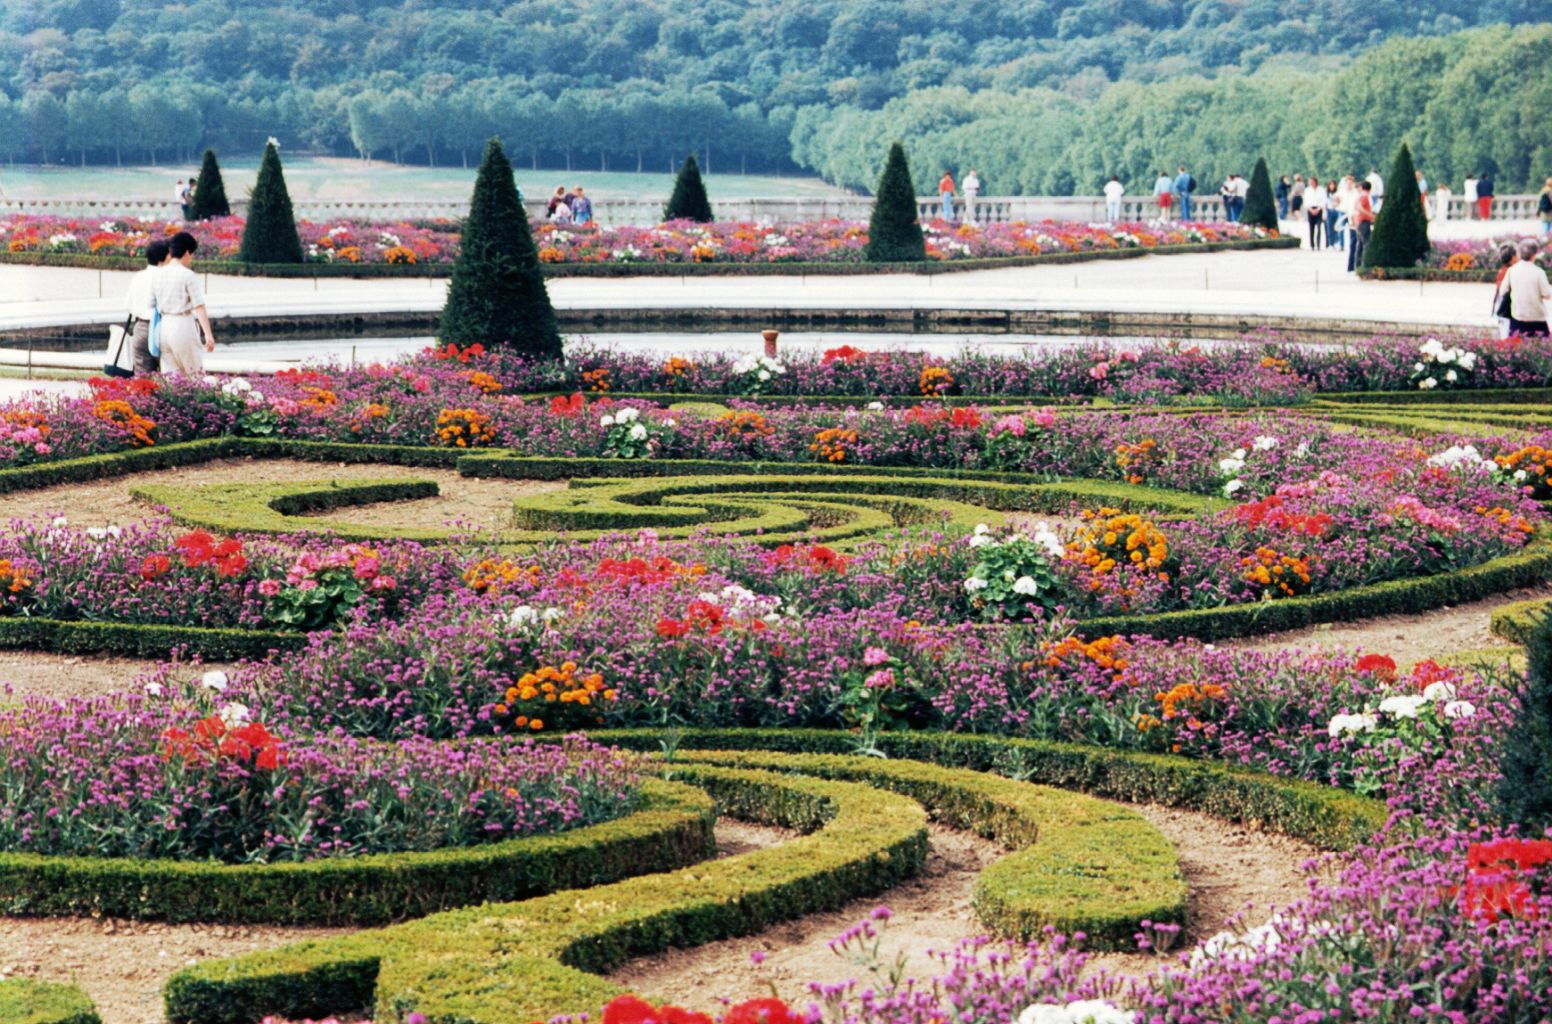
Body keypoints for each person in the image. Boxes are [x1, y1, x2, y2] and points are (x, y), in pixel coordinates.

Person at [151, 231, 215, 375]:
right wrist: (208, 335)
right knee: (195, 374)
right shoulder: (187, 275)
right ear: (187, 253)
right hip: (182, 325)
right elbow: (199, 306)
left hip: (163, 327)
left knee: (171, 377)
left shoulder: (158, 274)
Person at [125, 239, 170, 375]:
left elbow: (129, 305)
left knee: (142, 381)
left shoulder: (138, 277)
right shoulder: (166, 277)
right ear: (165, 257)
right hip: (161, 329)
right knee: (170, 378)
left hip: (141, 329)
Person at [1505, 238, 1552, 336]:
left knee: (1515, 348)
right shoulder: (1539, 272)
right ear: (1534, 254)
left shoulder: (1512, 270)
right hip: (1537, 319)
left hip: (1517, 317)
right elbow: (1547, 295)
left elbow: (1503, 290)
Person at [1491, 243, 1518, 339]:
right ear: (1513, 257)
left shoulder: (1503, 271)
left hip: (1502, 308)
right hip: (1507, 309)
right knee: (1507, 335)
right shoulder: (1511, 271)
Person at [1347, 181, 1375, 272]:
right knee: (1366, 243)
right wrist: (1371, 215)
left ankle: (1358, 265)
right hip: (1364, 221)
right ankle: (1365, 265)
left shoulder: (1358, 196)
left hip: (1358, 221)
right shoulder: (1365, 196)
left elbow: (1355, 208)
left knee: (1360, 244)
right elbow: (1360, 208)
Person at [1304, 175, 1326, 250]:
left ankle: (1318, 244)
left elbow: (1323, 200)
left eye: (1312, 182)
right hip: (1310, 209)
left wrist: (1319, 209)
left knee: (1319, 228)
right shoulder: (1307, 190)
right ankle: (1312, 245)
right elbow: (1306, 202)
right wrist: (1310, 209)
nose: (1311, 183)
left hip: (1318, 209)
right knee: (1311, 228)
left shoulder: (1321, 190)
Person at [1324, 179, 1341, 248]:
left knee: (1336, 227)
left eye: (1333, 184)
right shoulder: (1326, 193)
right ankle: (1331, 243)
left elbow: (1339, 200)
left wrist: (1336, 204)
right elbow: (1324, 203)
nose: (1332, 186)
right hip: (1329, 210)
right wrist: (1324, 212)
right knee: (1329, 228)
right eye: (1330, 185)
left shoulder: (1337, 193)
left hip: (1336, 210)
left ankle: (1336, 241)